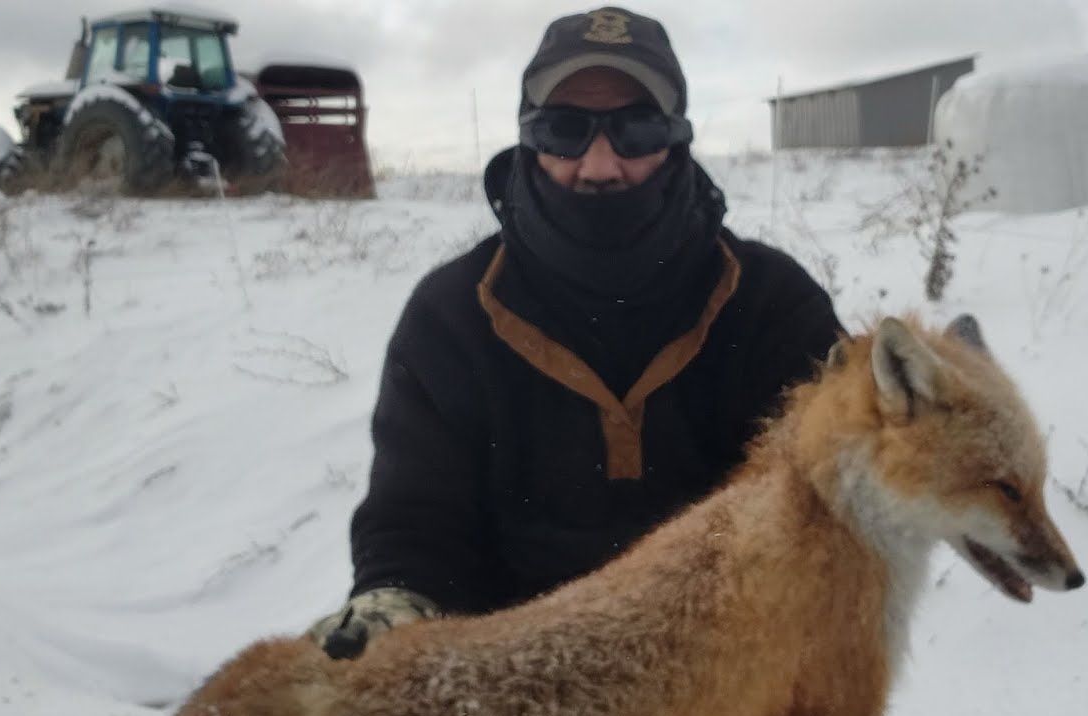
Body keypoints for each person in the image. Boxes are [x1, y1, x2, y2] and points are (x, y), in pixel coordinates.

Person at [305, 6, 846, 660]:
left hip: (728, 660)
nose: (599, 166)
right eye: (564, 130)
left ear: (676, 139)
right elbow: (417, 519)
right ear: (529, 139)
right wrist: (396, 602)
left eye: (637, 130)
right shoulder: (450, 316)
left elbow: (839, 488)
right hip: (512, 672)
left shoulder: (771, 302)